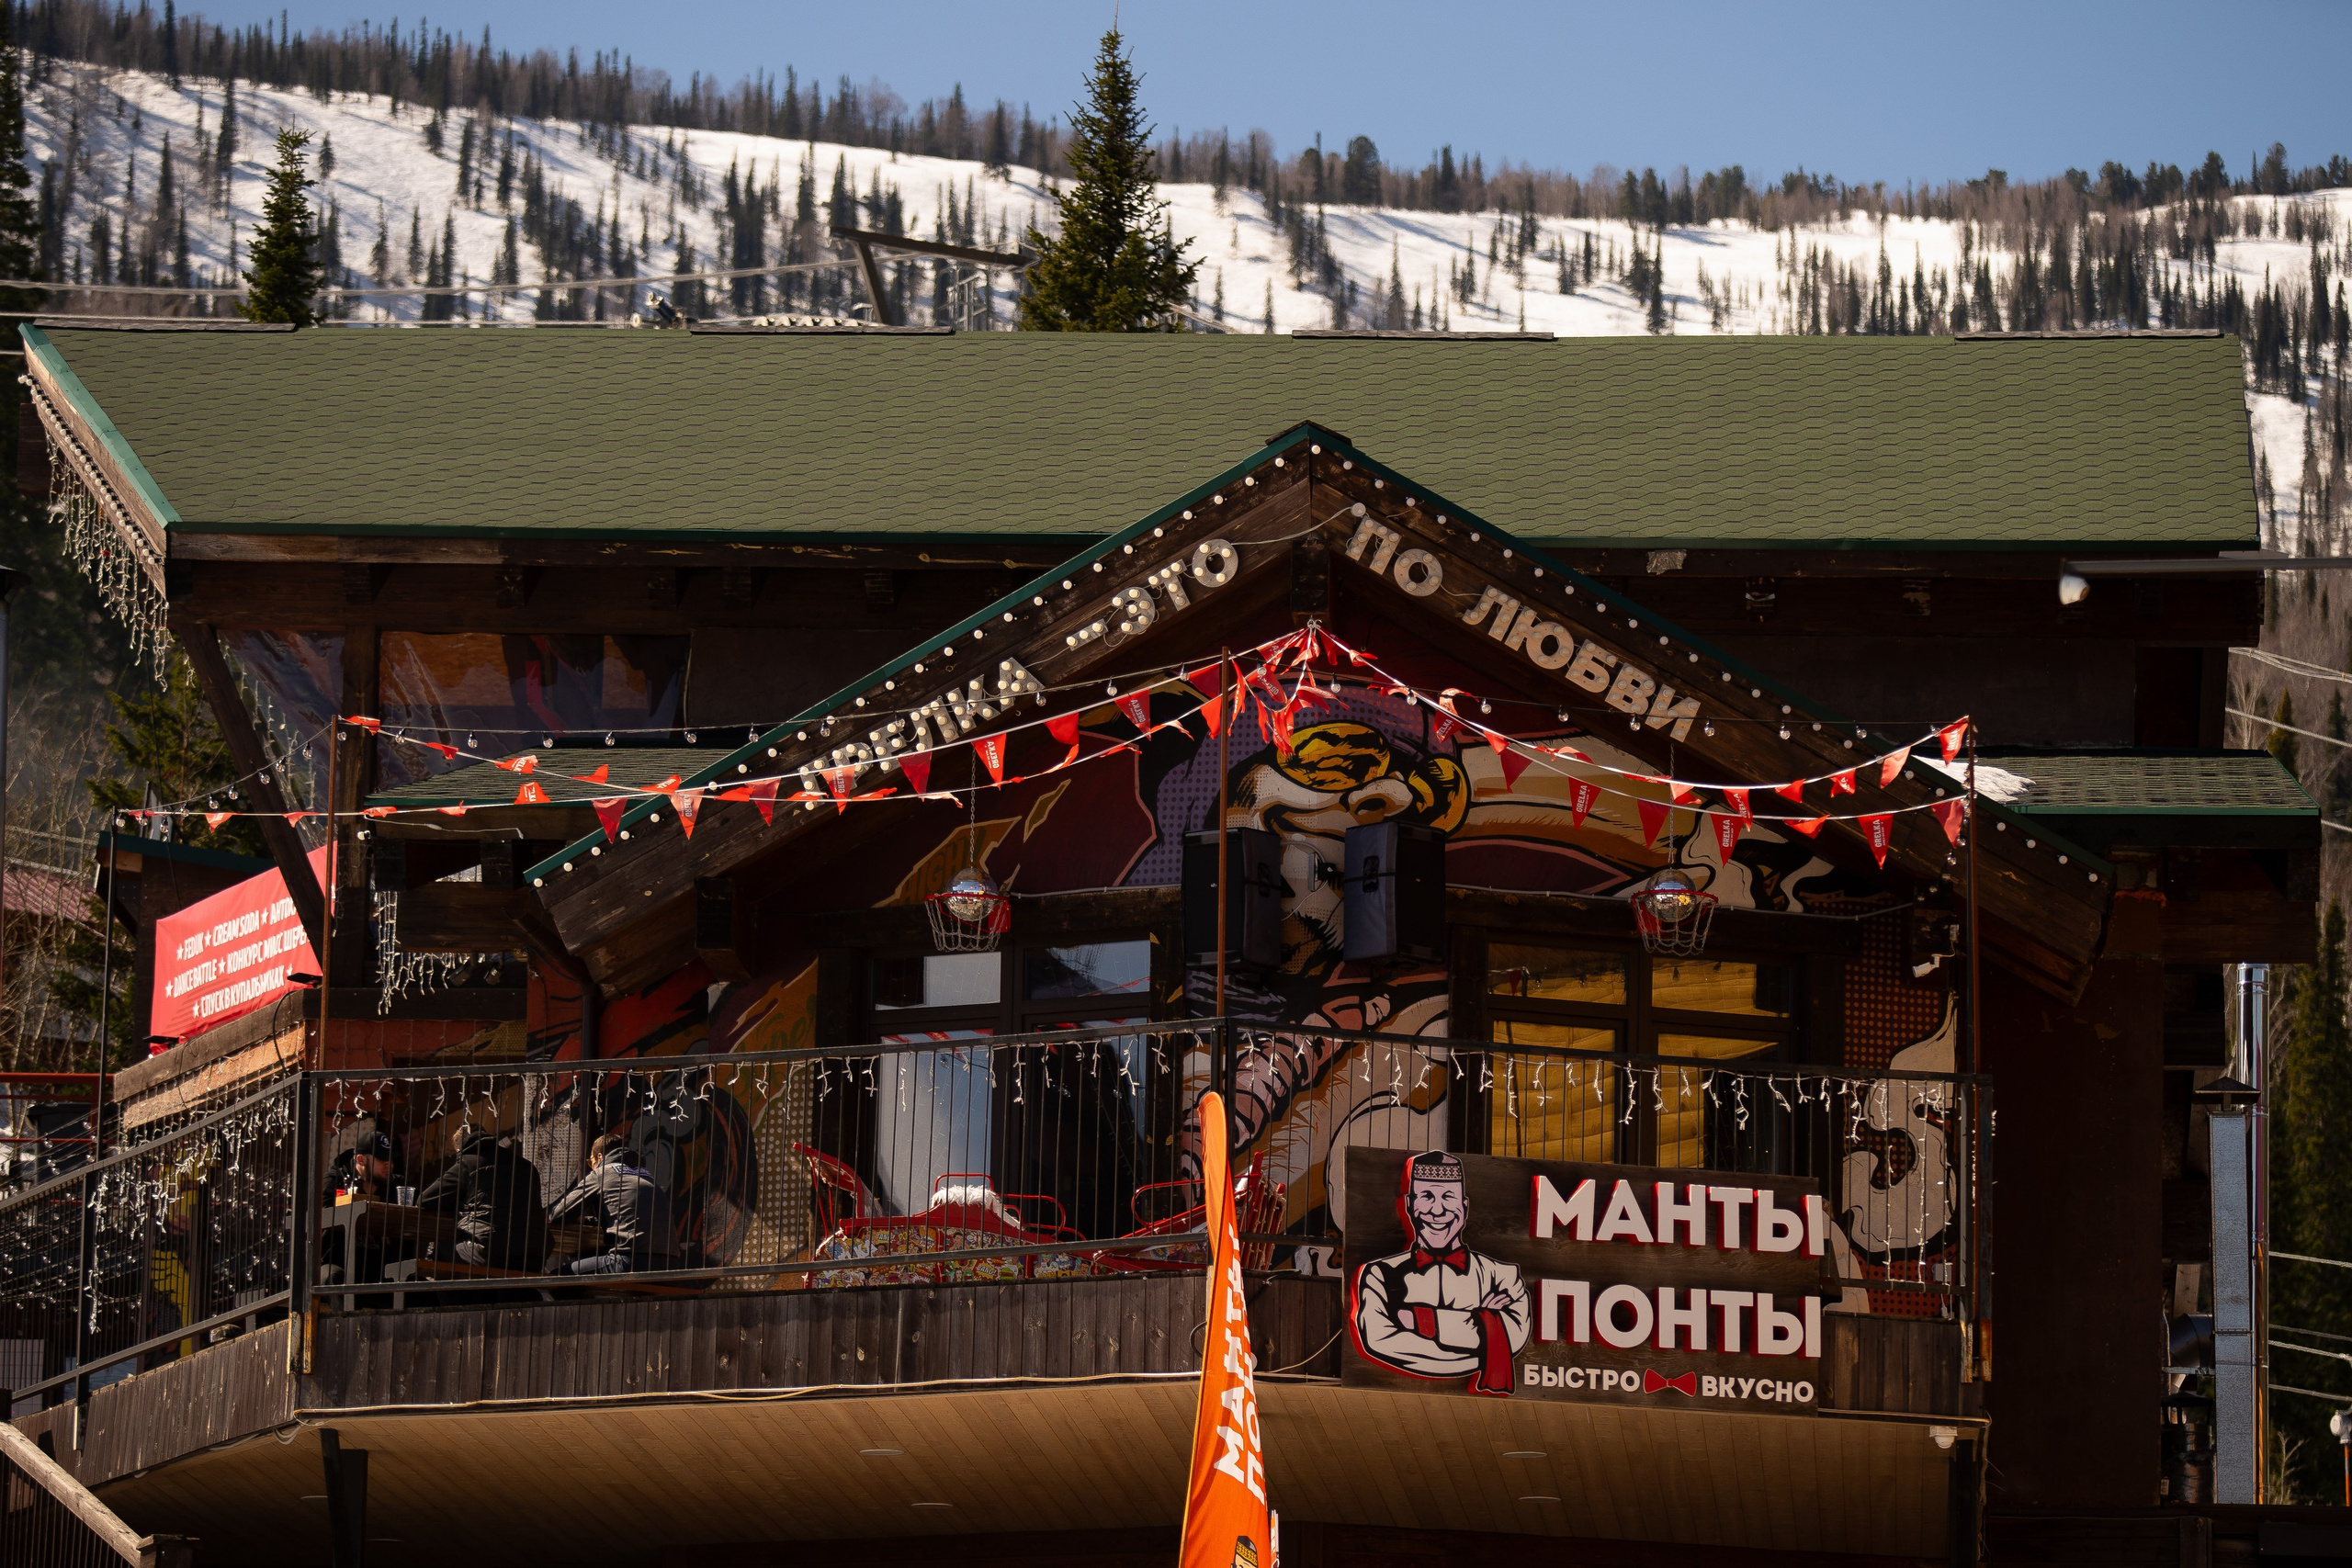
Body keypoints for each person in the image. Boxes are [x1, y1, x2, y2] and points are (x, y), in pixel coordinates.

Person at [1349, 1150, 1531, 1395]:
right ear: (1410, 1206)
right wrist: (1484, 1323)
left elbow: (1515, 1335)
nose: (1438, 1210)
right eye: (1427, 1196)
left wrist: (1420, 1321)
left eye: (1448, 1197)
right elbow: (1379, 1340)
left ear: (1464, 1208)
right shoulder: (1379, 1274)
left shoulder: (1501, 1276)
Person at [414, 1124, 550, 1272]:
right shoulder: (527, 1166)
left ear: (459, 1150)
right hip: (536, 1253)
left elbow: (425, 1200)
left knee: (439, 1249)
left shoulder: (468, 1163)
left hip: (493, 1252)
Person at [546, 1134, 683, 1275]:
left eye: (590, 1162)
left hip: (631, 1262)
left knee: (557, 1277)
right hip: (669, 1265)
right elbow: (626, 1215)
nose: (591, 1167)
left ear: (599, 1157)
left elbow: (558, 1215)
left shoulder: (603, 1173)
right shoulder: (646, 1175)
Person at [319, 1130, 412, 1286]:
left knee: (418, 1286)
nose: (389, 1164)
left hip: (379, 1268)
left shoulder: (397, 1186)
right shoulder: (335, 1181)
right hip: (337, 1261)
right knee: (334, 1278)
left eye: (391, 1159)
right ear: (361, 1160)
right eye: (382, 1159)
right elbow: (321, 1218)